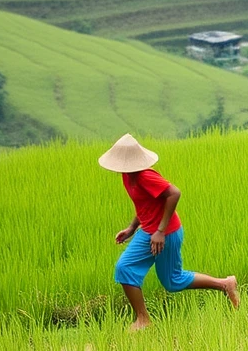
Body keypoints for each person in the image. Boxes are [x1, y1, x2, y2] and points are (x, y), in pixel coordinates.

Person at [100, 133, 239, 330]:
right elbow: (145, 205)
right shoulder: (127, 176)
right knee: (125, 268)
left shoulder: (144, 176)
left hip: (165, 233)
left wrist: (161, 231)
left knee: (173, 281)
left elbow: (174, 193)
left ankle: (225, 284)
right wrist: (132, 228)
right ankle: (143, 320)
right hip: (148, 231)